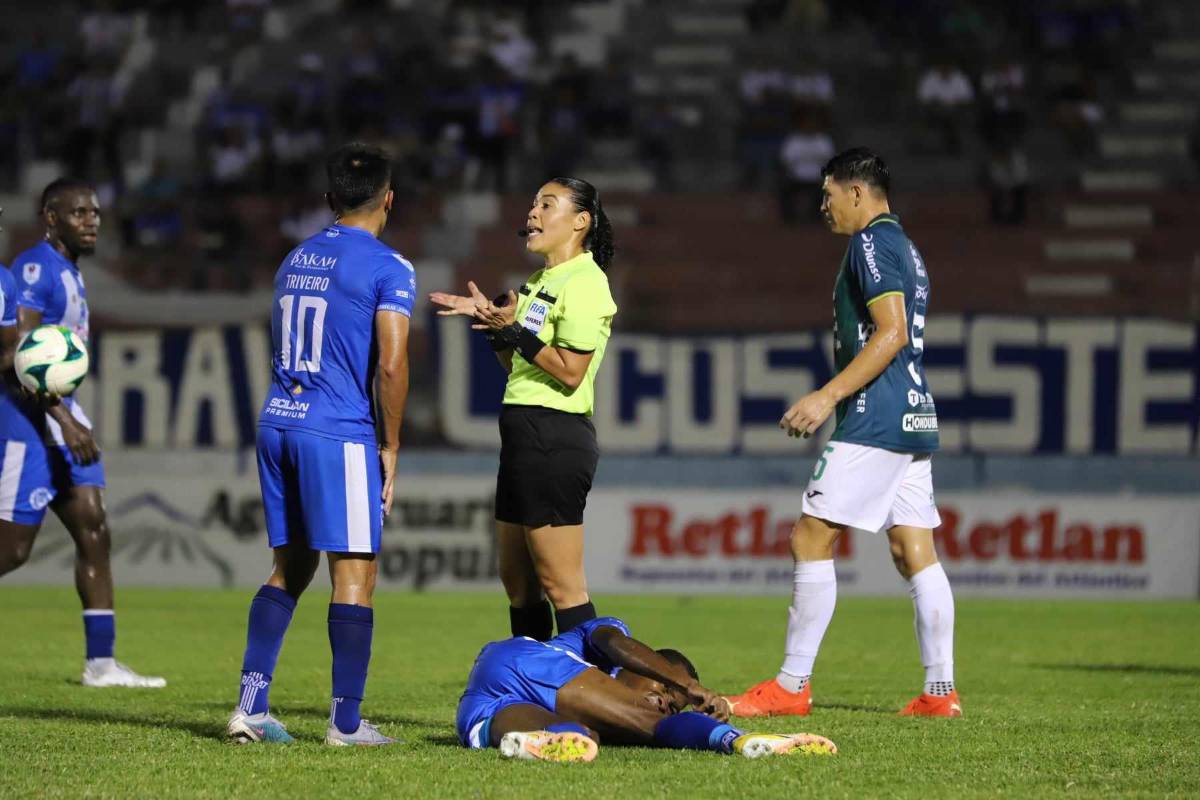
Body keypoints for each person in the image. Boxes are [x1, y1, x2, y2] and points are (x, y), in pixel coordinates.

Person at [726, 149, 959, 718]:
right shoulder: (905, 245)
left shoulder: (872, 243)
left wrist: (827, 395)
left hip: (875, 417)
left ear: (857, 192)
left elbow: (892, 332)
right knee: (913, 549)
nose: (822, 206)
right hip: (913, 414)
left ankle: (791, 685)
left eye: (828, 194)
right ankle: (939, 693)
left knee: (810, 537)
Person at [226, 143, 414, 746]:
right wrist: (391, 446)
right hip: (337, 429)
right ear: (389, 199)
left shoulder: (294, 258)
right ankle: (347, 724)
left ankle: (250, 710)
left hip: (278, 419)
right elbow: (391, 365)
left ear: (331, 199)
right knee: (355, 573)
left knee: (290, 566)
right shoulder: (390, 268)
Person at [430, 177, 616, 642]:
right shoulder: (538, 282)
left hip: (554, 436)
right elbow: (517, 363)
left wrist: (513, 331)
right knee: (519, 583)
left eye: (546, 205)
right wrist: (494, 327)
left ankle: (598, 694)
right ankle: (531, 688)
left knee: (562, 585)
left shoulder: (587, 282)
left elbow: (571, 372)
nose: (532, 213)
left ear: (580, 221)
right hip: (522, 434)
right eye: (533, 203)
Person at [0, 181, 165, 688]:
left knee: (93, 525)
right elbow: (17, 356)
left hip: (65, 415)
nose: (92, 220)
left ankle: (101, 663)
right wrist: (64, 420)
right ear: (51, 217)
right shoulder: (34, 269)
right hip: (29, 421)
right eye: (78, 213)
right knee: (12, 550)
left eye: (95, 212)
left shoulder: (69, 270)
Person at [457, 614, 838, 762]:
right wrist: (685, 685)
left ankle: (529, 743)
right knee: (651, 728)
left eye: (671, 706)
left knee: (580, 738)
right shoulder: (598, 639)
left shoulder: (605, 712)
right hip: (522, 660)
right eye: (662, 687)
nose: (662, 702)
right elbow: (617, 645)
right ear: (647, 662)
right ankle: (740, 741)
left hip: (482, 708)